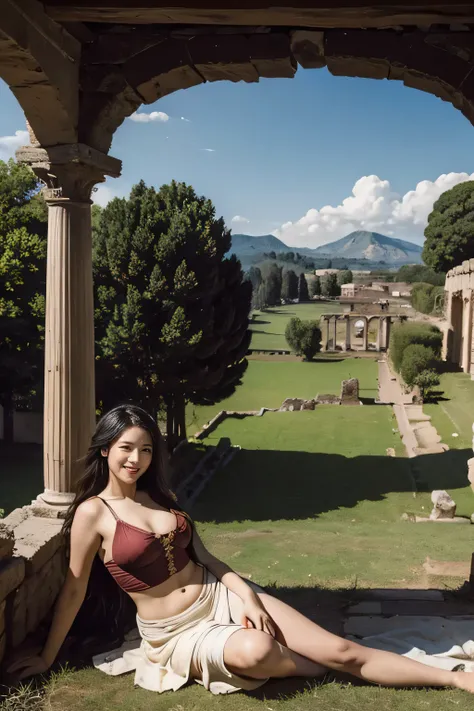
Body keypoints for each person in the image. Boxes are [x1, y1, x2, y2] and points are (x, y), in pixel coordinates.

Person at [7, 404, 474, 695]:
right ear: (106, 449)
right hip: (175, 632)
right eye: (127, 448)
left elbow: (208, 560)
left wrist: (247, 595)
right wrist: (48, 658)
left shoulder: (160, 499)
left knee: (343, 649)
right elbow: (72, 589)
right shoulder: (93, 512)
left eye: (146, 450)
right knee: (256, 651)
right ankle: (319, 668)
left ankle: (452, 678)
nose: (136, 459)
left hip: (221, 593)